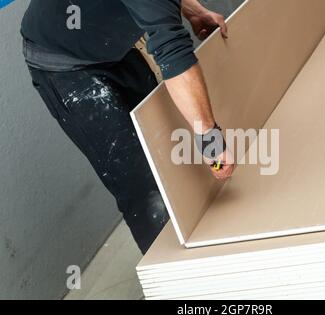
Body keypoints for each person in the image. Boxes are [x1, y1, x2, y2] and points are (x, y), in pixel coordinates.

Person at [21, 0, 235, 254]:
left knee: (165, 154)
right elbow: (173, 51)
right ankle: (171, 277)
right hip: (64, 63)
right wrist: (211, 143)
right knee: (143, 188)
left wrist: (191, 8)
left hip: (112, 44)